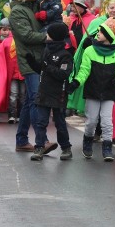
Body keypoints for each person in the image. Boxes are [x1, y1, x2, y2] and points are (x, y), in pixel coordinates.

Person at [9, 0, 57, 154]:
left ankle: (21, 140)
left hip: (40, 58)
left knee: (30, 100)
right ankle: (41, 140)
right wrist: (47, 37)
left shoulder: (34, 5)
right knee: (36, 99)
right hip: (29, 60)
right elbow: (26, 35)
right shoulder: (17, 12)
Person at [68, 21, 115, 162]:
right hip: (93, 91)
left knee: (107, 121)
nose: (97, 34)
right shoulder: (90, 51)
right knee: (91, 121)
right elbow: (84, 70)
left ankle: (107, 148)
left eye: (100, 32)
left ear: (108, 35)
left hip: (108, 92)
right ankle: (87, 141)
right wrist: (76, 82)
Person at [25, 22, 74, 161]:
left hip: (59, 93)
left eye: (49, 33)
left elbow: (63, 74)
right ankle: (39, 147)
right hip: (44, 91)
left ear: (55, 36)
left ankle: (66, 148)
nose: (46, 35)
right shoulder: (47, 50)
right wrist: (31, 62)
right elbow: (41, 69)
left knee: (59, 122)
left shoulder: (65, 55)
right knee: (41, 122)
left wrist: (48, 67)